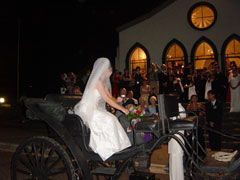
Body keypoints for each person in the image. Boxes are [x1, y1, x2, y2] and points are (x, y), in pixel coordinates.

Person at [74, 58, 131, 161]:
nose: (110, 74)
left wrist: (118, 100)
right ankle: (107, 149)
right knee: (109, 119)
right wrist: (122, 109)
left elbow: (110, 97)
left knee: (112, 118)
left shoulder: (103, 83)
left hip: (95, 108)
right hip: (89, 109)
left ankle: (116, 147)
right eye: (110, 72)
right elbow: (107, 99)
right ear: (106, 70)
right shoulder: (97, 82)